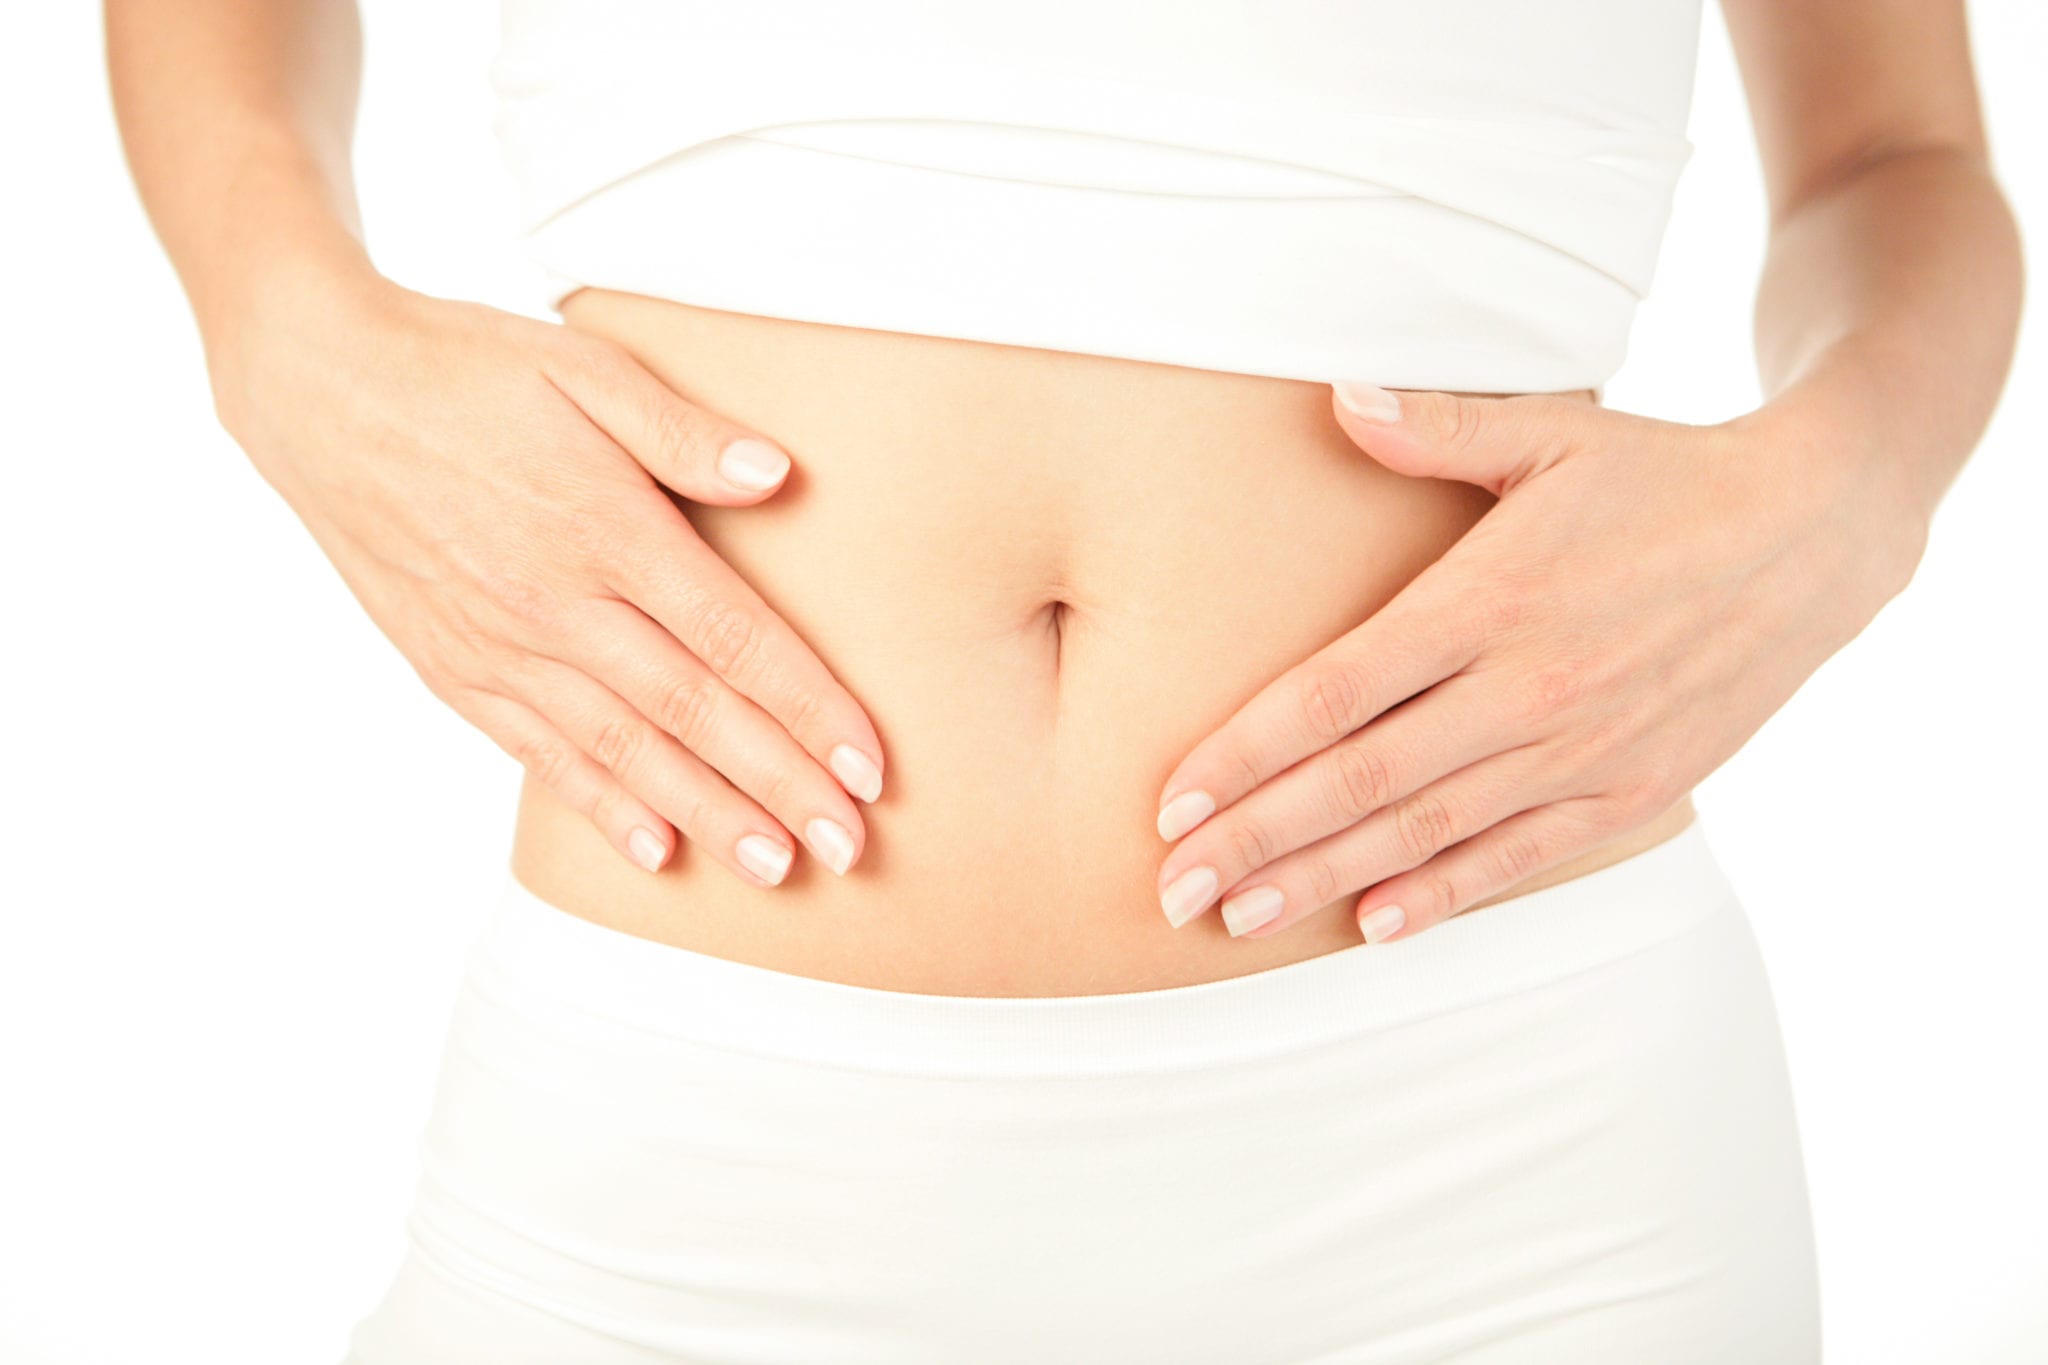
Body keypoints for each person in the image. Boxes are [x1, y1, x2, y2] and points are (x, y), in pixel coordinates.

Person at [106, 1, 2021, 1360]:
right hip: (670, 1151)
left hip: (1508, 1144)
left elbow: (1895, 149)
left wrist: (1855, 481)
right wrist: (278, 323)